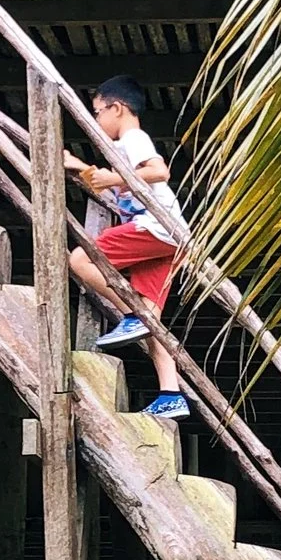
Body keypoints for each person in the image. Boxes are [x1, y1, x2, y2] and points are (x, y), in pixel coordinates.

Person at [66, 73, 190, 424]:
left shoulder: (132, 138)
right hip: (172, 240)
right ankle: (171, 394)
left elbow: (159, 172)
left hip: (156, 229)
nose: (96, 120)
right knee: (154, 322)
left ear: (117, 108)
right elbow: (114, 189)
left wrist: (115, 178)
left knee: (80, 258)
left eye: (97, 112)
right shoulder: (124, 149)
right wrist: (80, 167)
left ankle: (132, 315)